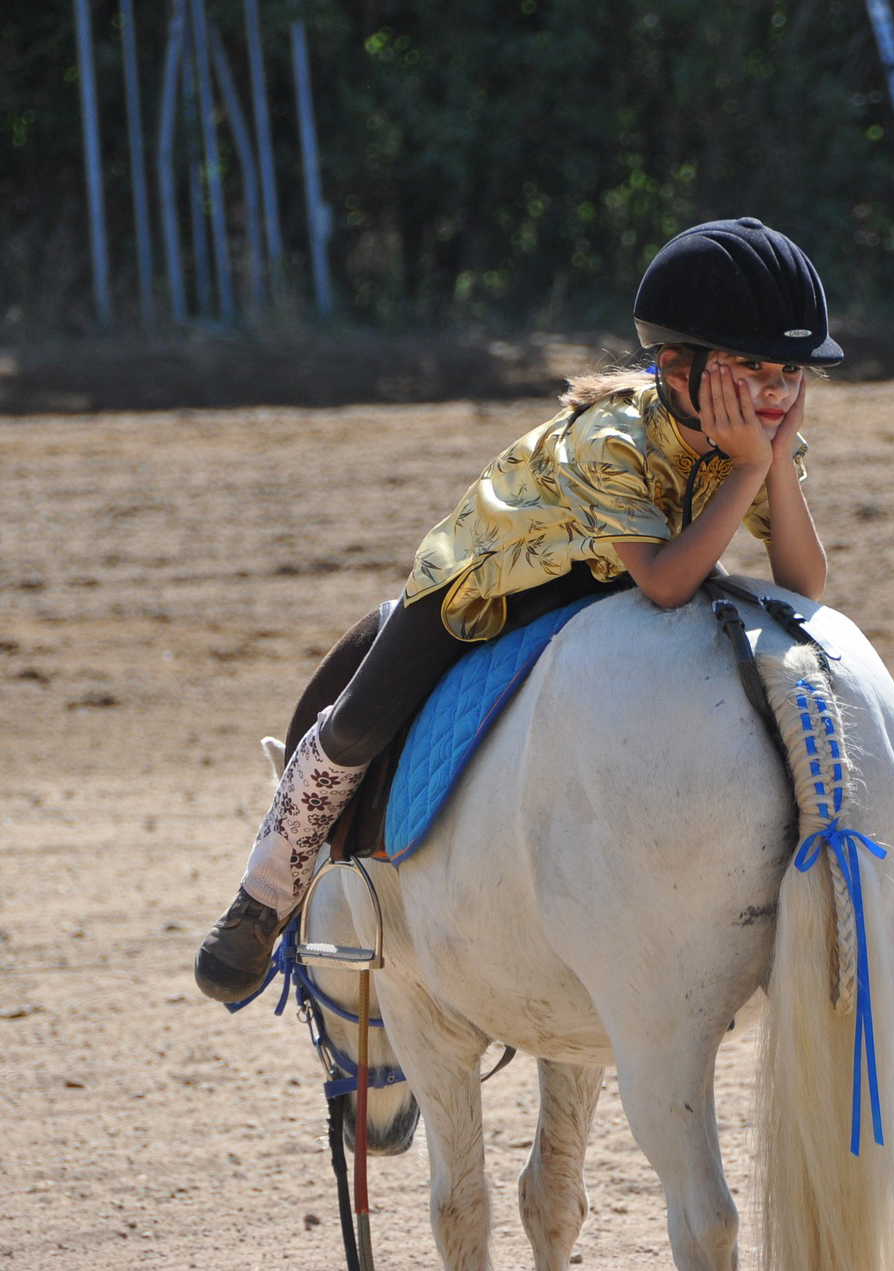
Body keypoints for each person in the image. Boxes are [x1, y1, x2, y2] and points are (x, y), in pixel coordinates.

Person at [194, 216, 844, 1003]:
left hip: (604, 578)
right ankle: (263, 897)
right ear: (676, 365)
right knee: (358, 723)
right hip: (484, 580)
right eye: (750, 367)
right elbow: (666, 584)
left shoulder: (759, 435)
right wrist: (747, 467)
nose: (775, 391)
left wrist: (767, 462)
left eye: (790, 372)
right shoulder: (614, 438)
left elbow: (802, 581)